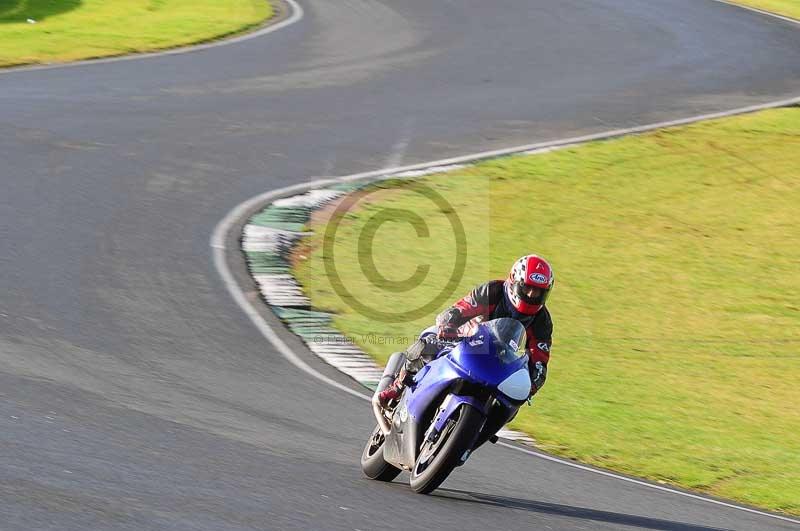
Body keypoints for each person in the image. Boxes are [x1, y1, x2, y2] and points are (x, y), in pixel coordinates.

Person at [376, 254, 554, 408]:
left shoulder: (542, 322)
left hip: (501, 364)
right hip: (466, 341)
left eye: (537, 292)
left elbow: (539, 360)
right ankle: (397, 386)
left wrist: (532, 383)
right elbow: (462, 308)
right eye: (527, 288)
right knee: (428, 341)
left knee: (512, 403)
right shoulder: (492, 291)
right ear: (514, 281)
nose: (531, 295)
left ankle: (478, 431)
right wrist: (448, 324)